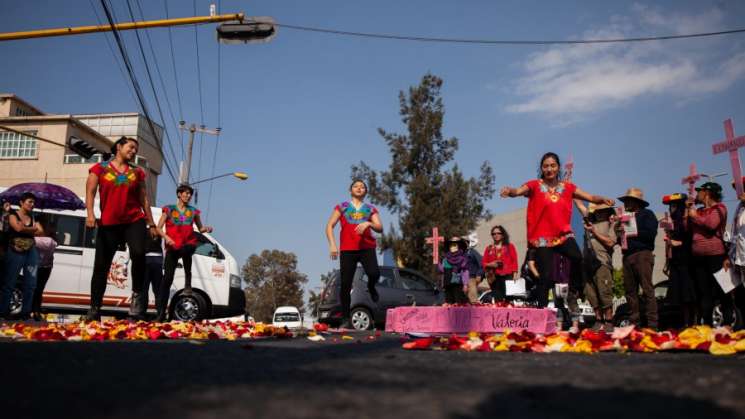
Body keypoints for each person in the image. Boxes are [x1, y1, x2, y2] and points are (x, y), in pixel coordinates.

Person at [500, 152, 615, 309]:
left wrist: (602, 199)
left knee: (577, 258)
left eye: (553, 165)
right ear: (541, 168)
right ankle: (541, 312)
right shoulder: (534, 185)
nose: (549, 169)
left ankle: (575, 289)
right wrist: (510, 191)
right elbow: (518, 191)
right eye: (546, 166)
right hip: (542, 239)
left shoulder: (567, 187)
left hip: (563, 235)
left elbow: (590, 197)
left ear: (558, 167)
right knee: (545, 277)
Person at [84, 136, 159, 322]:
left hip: (134, 220)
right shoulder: (99, 169)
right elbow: (90, 192)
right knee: (101, 265)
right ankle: (94, 308)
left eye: (136, 149)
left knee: (139, 253)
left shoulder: (137, 173)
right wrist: (90, 214)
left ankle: (136, 298)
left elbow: (144, 200)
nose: (134, 151)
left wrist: (151, 223)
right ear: (119, 147)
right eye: (131, 147)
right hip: (109, 222)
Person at [325, 179, 383, 329]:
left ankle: (371, 287)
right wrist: (332, 244)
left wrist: (369, 223)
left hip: (367, 247)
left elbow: (380, 227)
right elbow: (329, 226)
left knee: (374, 273)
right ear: (350, 191)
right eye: (356, 186)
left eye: (362, 187)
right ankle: (345, 317)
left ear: (365, 192)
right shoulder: (342, 207)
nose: (359, 188)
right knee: (345, 284)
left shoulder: (370, 209)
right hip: (347, 249)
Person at [155, 184, 212, 322]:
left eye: (189, 194)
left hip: (188, 244)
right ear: (179, 194)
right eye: (185, 193)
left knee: (188, 249)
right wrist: (167, 238)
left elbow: (200, 228)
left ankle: (188, 279)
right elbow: (158, 228)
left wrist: (207, 228)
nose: (188, 196)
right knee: (166, 281)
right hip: (172, 247)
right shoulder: (168, 209)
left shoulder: (193, 212)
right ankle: (161, 314)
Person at [688, 182, 733, 327]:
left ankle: (727, 323)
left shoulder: (720, 208)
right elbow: (686, 227)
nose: (697, 194)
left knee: (722, 290)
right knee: (704, 292)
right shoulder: (699, 210)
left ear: (707, 193)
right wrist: (688, 210)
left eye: (700, 191)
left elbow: (711, 224)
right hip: (699, 258)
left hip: (716, 256)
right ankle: (706, 324)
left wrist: (695, 216)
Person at [617, 188, 659, 329]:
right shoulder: (624, 217)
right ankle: (634, 324)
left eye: (628, 200)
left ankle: (652, 324)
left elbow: (650, 234)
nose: (626, 203)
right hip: (627, 255)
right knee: (630, 292)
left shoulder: (647, 214)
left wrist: (632, 229)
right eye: (625, 201)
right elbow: (620, 240)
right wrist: (620, 231)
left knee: (647, 289)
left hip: (642, 254)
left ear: (637, 202)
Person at [0, 192, 42, 320]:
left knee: (31, 284)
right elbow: (17, 228)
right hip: (15, 250)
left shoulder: (34, 216)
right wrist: (32, 229)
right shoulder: (13, 214)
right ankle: (2, 311)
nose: (32, 204)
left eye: (33, 202)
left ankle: (25, 312)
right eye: (30, 202)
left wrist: (26, 228)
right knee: (9, 283)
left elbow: (41, 231)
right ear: (21, 203)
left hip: (31, 251)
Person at [662, 193, 697, 328]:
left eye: (675, 205)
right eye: (671, 206)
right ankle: (684, 322)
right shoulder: (672, 222)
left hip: (687, 261)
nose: (672, 208)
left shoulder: (687, 219)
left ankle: (693, 322)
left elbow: (693, 238)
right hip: (675, 261)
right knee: (679, 295)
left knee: (689, 294)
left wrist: (680, 243)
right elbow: (670, 242)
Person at [582, 203, 617, 332]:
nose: (599, 213)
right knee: (590, 293)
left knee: (604, 292)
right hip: (587, 262)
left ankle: (608, 321)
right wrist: (571, 193)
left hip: (602, 262)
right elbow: (581, 208)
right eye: (597, 211)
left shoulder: (611, 224)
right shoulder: (589, 223)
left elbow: (610, 242)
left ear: (608, 212)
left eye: (603, 211)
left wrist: (594, 232)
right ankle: (598, 320)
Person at [482, 225, 518, 303]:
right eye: (494, 234)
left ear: (502, 234)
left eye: (498, 233)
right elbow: (483, 263)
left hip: (508, 276)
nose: (496, 235)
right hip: (495, 278)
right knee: (498, 300)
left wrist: (515, 275)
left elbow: (514, 261)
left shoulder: (510, 246)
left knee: (509, 300)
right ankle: (500, 315)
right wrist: (491, 264)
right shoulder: (489, 248)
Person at [727, 178, 745, 330]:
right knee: (741, 294)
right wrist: (729, 256)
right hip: (740, 257)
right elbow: (734, 233)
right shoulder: (739, 208)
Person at [31, 219, 57, 321]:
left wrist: (27, 230)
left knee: (36, 289)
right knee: (37, 289)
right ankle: (36, 309)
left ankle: (34, 310)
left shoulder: (48, 241)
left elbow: (31, 241)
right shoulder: (51, 239)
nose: (34, 228)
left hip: (40, 267)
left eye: (37, 226)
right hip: (45, 267)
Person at [439, 236, 470, 304]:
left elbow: (465, 272)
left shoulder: (463, 259)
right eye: (451, 245)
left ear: (459, 246)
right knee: (449, 303)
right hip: (448, 284)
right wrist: (437, 262)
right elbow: (442, 270)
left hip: (458, 285)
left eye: (455, 244)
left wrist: (465, 284)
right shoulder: (445, 259)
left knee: (459, 303)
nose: (453, 246)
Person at [143, 227, 163, 321]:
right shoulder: (159, 230)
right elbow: (164, 247)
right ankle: (159, 313)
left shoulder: (141, 229)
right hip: (155, 261)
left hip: (149, 260)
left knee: (145, 289)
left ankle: (142, 313)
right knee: (157, 289)